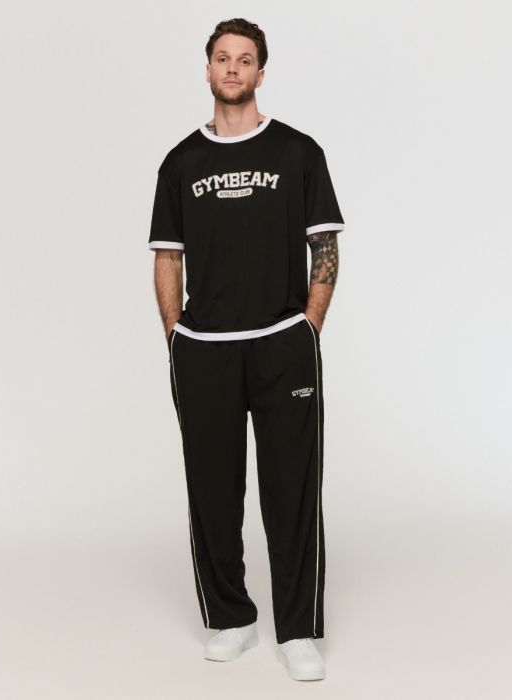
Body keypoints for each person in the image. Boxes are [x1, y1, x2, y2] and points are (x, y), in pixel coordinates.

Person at [148, 18, 344, 682]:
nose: (233, 68)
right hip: (205, 349)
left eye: (245, 59)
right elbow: (167, 256)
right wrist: (176, 335)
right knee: (212, 490)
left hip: (281, 343)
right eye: (223, 58)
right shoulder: (180, 163)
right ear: (208, 70)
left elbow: (324, 246)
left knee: (292, 490)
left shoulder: (298, 152)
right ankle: (231, 618)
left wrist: (308, 326)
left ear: (261, 72)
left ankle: (298, 629)